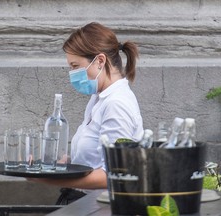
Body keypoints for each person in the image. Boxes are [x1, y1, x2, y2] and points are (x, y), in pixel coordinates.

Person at [29, 22, 144, 205]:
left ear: (100, 61)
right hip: (84, 203)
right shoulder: (99, 98)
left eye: (75, 66)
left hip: (100, 206)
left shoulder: (116, 104)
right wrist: (51, 166)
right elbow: (92, 162)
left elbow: (115, 174)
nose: (72, 73)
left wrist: (51, 179)